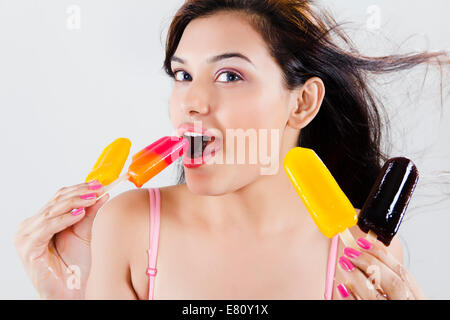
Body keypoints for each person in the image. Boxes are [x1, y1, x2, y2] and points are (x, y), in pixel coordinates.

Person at [16, 0, 445, 299]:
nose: (192, 102)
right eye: (182, 76)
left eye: (229, 76)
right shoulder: (129, 226)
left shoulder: (361, 251)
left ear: (302, 102)